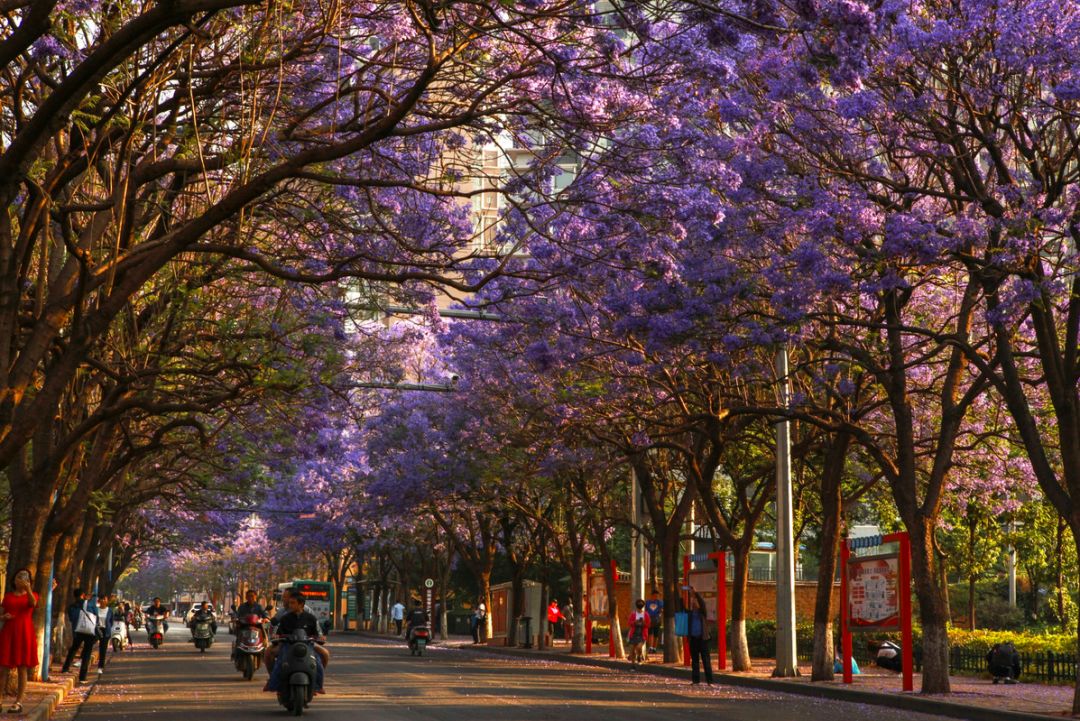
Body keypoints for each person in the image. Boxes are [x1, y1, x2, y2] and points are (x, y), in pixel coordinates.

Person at [264, 590, 330, 686]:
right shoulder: (284, 617)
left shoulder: (310, 617)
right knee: (279, 662)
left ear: (301, 604)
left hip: (307, 645)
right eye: (289, 602)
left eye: (292, 603)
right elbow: (277, 632)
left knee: (320, 659)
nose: (289, 604)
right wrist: (276, 637)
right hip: (287, 645)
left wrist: (321, 637)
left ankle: (317, 684)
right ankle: (273, 682)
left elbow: (318, 633)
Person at [0, 568, 39, 713]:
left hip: (24, 633)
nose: (22, 579)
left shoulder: (33, 594)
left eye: (25, 577)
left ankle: (19, 701)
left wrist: (28, 589)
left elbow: (33, 604)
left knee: (22, 668)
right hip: (8, 633)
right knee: (3, 667)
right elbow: (1, 613)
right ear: (14, 580)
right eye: (19, 576)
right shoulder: (8, 597)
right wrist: (4, 618)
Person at [61, 588, 98, 684]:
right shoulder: (90, 605)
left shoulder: (72, 606)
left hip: (77, 631)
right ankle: (82, 677)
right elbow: (96, 615)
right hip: (89, 631)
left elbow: (71, 618)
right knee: (86, 653)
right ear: (82, 595)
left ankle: (66, 667)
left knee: (73, 648)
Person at [687, 590, 713, 685]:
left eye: (696, 601)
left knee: (706, 661)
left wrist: (696, 594)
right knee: (695, 661)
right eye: (693, 601)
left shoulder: (702, 613)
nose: (694, 602)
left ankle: (710, 681)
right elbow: (680, 605)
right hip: (693, 640)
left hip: (703, 639)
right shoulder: (690, 614)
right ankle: (695, 680)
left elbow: (702, 603)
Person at [626, 599, 650, 669]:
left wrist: (644, 623)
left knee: (639, 647)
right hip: (634, 634)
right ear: (636, 606)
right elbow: (629, 623)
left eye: (641, 605)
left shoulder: (646, 614)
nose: (640, 607)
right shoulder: (633, 614)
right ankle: (633, 665)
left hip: (642, 634)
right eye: (639, 604)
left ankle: (639, 655)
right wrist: (634, 622)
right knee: (632, 650)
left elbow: (648, 625)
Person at [94, 594, 114, 675]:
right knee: (89, 646)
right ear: (99, 600)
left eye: (104, 599)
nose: (103, 601)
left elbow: (111, 622)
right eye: (101, 599)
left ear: (107, 601)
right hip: (96, 630)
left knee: (103, 650)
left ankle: (100, 667)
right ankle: (82, 660)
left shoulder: (109, 610)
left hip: (106, 631)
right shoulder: (96, 609)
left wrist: (108, 628)